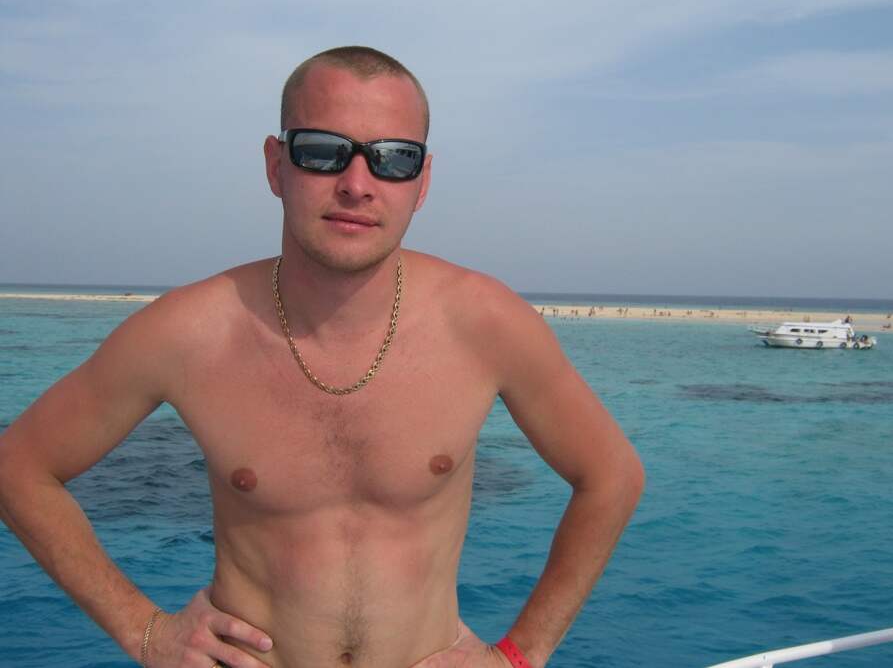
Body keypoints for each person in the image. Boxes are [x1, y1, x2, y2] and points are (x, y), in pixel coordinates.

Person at [0, 46, 644, 668]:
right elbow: (17, 467)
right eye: (322, 152)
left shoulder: (484, 322)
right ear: (275, 165)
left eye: (394, 159)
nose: (357, 185)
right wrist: (146, 634)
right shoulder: (189, 333)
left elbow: (612, 477)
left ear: (421, 182)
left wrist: (520, 655)